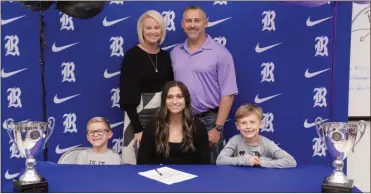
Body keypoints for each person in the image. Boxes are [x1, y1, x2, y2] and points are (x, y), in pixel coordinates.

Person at [170, 5, 238, 164]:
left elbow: (228, 94)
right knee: (182, 169)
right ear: (182, 24)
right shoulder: (175, 53)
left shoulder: (221, 53)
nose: (192, 25)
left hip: (210, 121)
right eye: (188, 21)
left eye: (197, 20)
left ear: (206, 23)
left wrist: (218, 128)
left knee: (212, 171)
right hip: (181, 120)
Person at [119, 10, 174, 164]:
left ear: (162, 30)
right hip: (137, 117)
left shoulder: (165, 56)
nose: (153, 32)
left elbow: (170, 90)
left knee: (162, 160)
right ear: (141, 30)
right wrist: (137, 129)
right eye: (148, 28)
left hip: (162, 118)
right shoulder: (132, 55)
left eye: (157, 28)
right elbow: (127, 96)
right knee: (136, 162)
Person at [137, 81, 210, 164]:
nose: (174, 101)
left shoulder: (198, 127)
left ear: (186, 100)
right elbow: (142, 161)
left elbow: (205, 163)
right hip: (159, 175)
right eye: (170, 97)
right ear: (164, 101)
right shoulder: (153, 126)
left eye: (179, 97)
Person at [216, 104, 297, 168]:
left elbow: (290, 161)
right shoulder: (235, 140)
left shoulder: (266, 143)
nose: (248, 126)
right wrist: (245, 161)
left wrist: (262, 162)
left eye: (252, 122)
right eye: (243, 123)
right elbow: (220, 160)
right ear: (237, 126)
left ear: (261, 124)